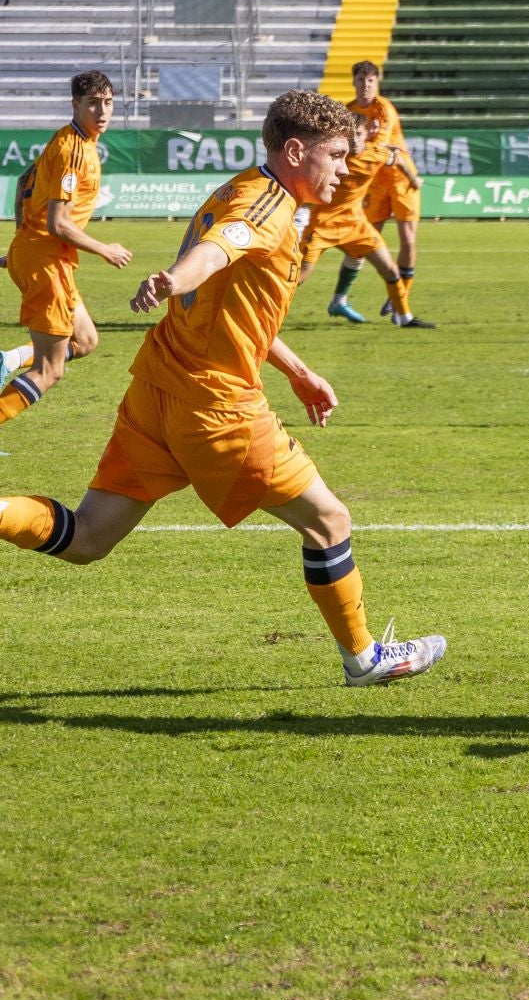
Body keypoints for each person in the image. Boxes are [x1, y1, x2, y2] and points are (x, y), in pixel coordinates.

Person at [0, 90, 448, 688]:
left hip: (157, 388)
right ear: (296, 150)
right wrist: (170, 278)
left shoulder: (243, 187)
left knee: (88, 537)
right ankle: (364, 658)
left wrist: (295, 369)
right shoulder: (265, 206)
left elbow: (236, 300)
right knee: (330, 521)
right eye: (336, 155)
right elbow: (216, 253)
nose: (345, 169)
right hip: (214, 405)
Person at [0, 71, 133, 425]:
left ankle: (10, 360)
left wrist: (21, 243)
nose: (102, 111)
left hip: (39, 255)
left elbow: (24, 180)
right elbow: (58, 224)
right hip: (47, 263)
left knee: (86, 340)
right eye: (92, 103)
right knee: (49, 370)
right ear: (76, 104)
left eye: (107, 103)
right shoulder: (73, 151)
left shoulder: (72, 141)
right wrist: (104, 248)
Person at [299, 110, 433, 327]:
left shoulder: (375, 153)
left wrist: (413, 178)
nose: (354, 140)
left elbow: (397, 159)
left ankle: (404, 317)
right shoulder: (330, 156)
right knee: (299, 277)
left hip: (355, 225)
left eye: (358, 134)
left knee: (389, 269)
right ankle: (261, 310)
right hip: (322, 226)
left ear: (366, 134)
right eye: (349, 136)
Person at [342, 60, 430, 327]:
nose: (365, 85)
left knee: (408, 239)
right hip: (373, 183)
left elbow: (374, 147)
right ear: (354, 82)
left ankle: (399, 297)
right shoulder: (348, 111)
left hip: (400, 177)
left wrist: (413, 178)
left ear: (377, 83)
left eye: (370, 81)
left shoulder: (384, 109)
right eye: (361, 80)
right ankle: (341, 297)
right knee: (365, 240)